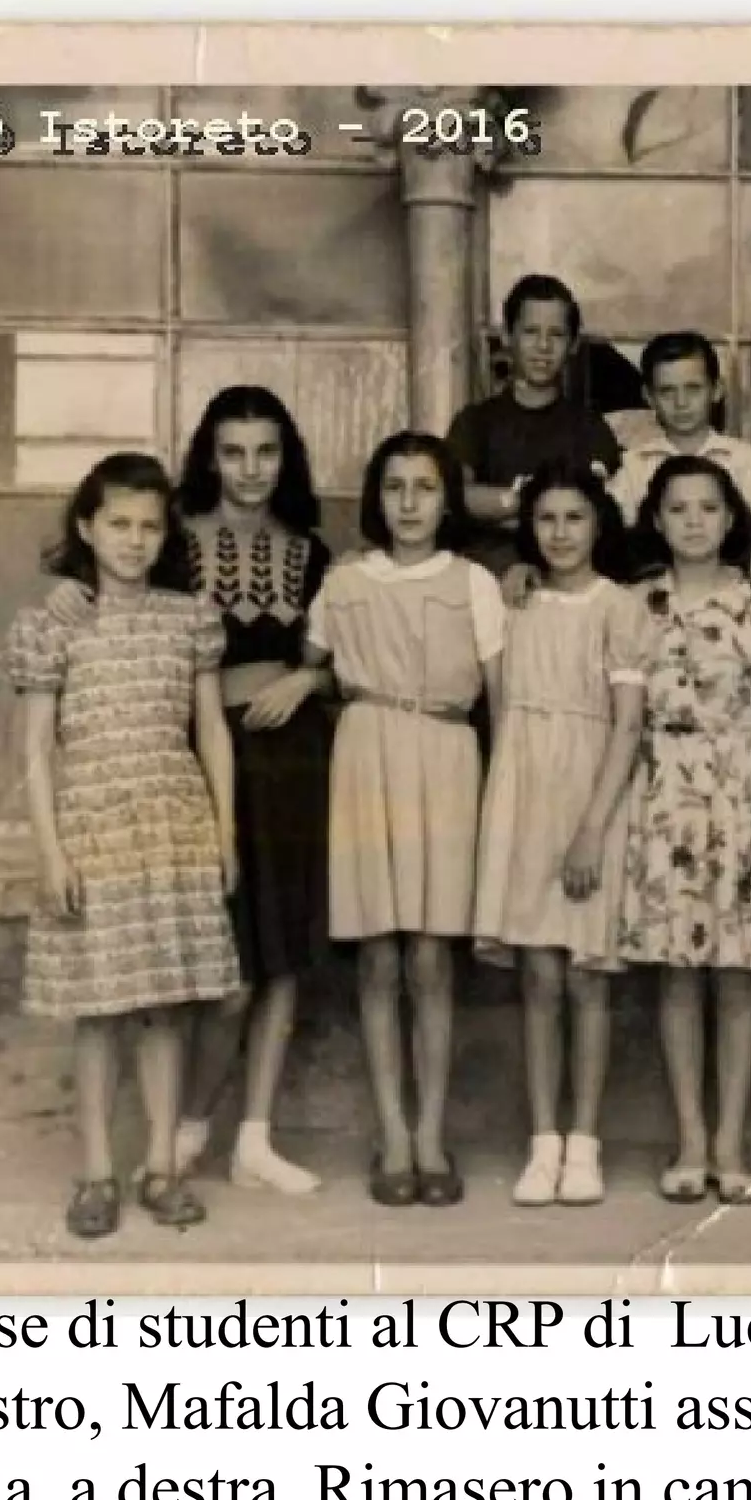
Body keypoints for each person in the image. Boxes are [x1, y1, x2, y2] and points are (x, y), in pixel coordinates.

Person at [45, 387, 334, 1197]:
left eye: (267, 451)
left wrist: (311, 678)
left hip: (296, 766)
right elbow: (109, 594)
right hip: (198, 768)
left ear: (286, 458)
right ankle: (185, 1128)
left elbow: (343, 648)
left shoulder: (312, 551)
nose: (251, 469)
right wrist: (68, 595)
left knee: (282, 963)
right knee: (223, 972)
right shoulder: (174, 544)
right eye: (234, 451)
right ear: (209, 456)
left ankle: (255, 1137)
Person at [8, 452, 240, 1239]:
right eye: (118, 525)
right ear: (86, 527)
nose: (135, 541)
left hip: (173, 828)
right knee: (100, 1012)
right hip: (92, 830)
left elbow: (211, 729)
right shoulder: (52, 623)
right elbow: (37, 749)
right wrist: (49, 851)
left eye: (149, 526)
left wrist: (225, 834)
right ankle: (97, 1173)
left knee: (163, 1010)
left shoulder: (189, 616)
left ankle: (161, 1168)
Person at [303, 432, 505, 1210]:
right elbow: (313, 665)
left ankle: (432, 1133)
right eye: (396, 487)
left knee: (430, 957)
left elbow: (504, 699)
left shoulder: (475, 583)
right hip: (367, 758)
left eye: (426, 487)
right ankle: (392, 1133)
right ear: (376, 498)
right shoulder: (346, 583)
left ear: (448, 498)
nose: (411, 503)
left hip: (447, 755)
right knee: (379, 958)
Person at [619, 458, 751, 1207]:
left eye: (708, 507)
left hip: (741, 798)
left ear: (731, 520)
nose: (693, 520)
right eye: (677, 508)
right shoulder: (637, 606)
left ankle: (731, 1142)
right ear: (656, 520)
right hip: (663, 800)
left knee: (737, 978)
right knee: (678, 976)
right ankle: (690, 1141)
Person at [472, 465, 648, 1208]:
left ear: (598, 525)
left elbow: (629, 726)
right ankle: (542, 1141)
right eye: (546, 519)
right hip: (524, 791)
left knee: (585, 977)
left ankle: (586, 1142)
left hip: (590, 795)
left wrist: (591, 831)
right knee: (538, 975)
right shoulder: (515, 603)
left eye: (575, 518)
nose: (560, 533)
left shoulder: (621, 608)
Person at [447, 273, 623, 578]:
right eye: (530, 332)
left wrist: (501, 507)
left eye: (555, 334)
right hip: (485, 577)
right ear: (507, 337)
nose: (543, 346)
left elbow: (593, 512)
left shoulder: (591, 429)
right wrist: (537, 506)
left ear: (573, 344)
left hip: (565, 580)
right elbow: (456, 497)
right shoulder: (475, 422)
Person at [606, 331, 751, 533]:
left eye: (693, 389)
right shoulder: (633, 465)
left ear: (716, 390)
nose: (681, 403)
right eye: (667, 391)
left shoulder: (745, 460)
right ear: (649, 397)